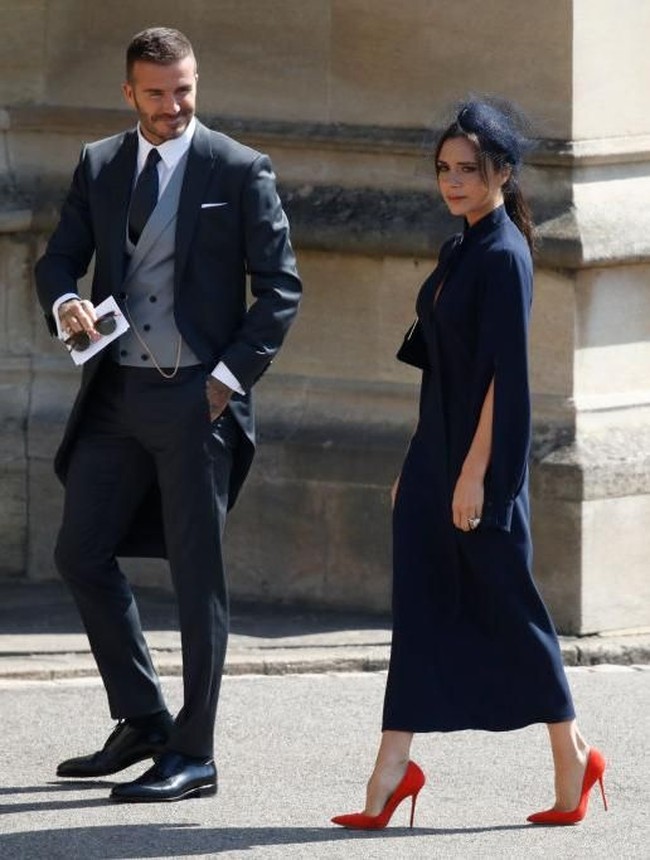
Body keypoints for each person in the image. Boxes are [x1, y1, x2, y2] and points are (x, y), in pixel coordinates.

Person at [35, 27, 301, 803]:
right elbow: (58, 257)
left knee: (197, 580)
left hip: (198, 399)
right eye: (156, 93)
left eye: (183, 89)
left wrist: (223, 383)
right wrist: (66, 300)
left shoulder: (239, 169)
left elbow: (280, 289)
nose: (173, 106)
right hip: (116, 394)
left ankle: (196, 752)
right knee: (80, 552)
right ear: (130, 93)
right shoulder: (100, 163)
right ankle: (145, 717)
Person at [331, 100, 607, 829]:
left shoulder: (504, 255)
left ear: (503, 173)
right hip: (436, 459)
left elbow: (500, 381)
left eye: (469, 170)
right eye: (444, 170)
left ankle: (571, 756)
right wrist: (417, 463)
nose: (452, 182)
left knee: (511, 608)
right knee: (420, 606)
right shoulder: (462, 247)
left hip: (478, 467)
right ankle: (392, 769)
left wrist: (474, 474)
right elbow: (443, 375)